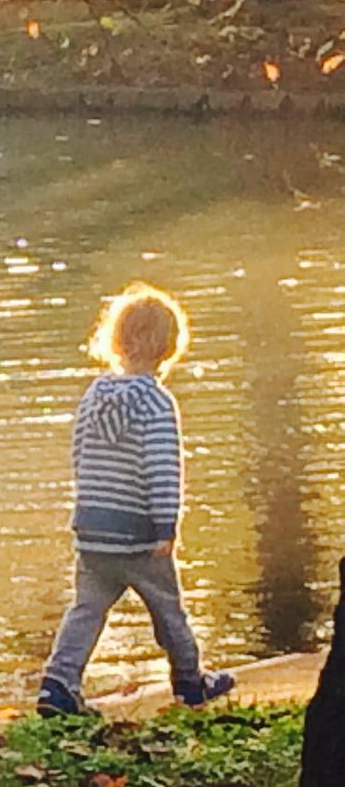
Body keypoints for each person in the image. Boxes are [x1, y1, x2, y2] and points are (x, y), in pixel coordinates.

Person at [36, 284, 235, 718]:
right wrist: (167, 528)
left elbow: (78, 455)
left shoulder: (94, 395)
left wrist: (88, 509)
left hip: (93, 529)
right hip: (138, 534)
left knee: (86, 609)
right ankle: (190, 680)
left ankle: (58, 683)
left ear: (116, 340)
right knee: (169, 612)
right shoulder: (157, 402)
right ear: (169, 348)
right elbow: (163, 468)